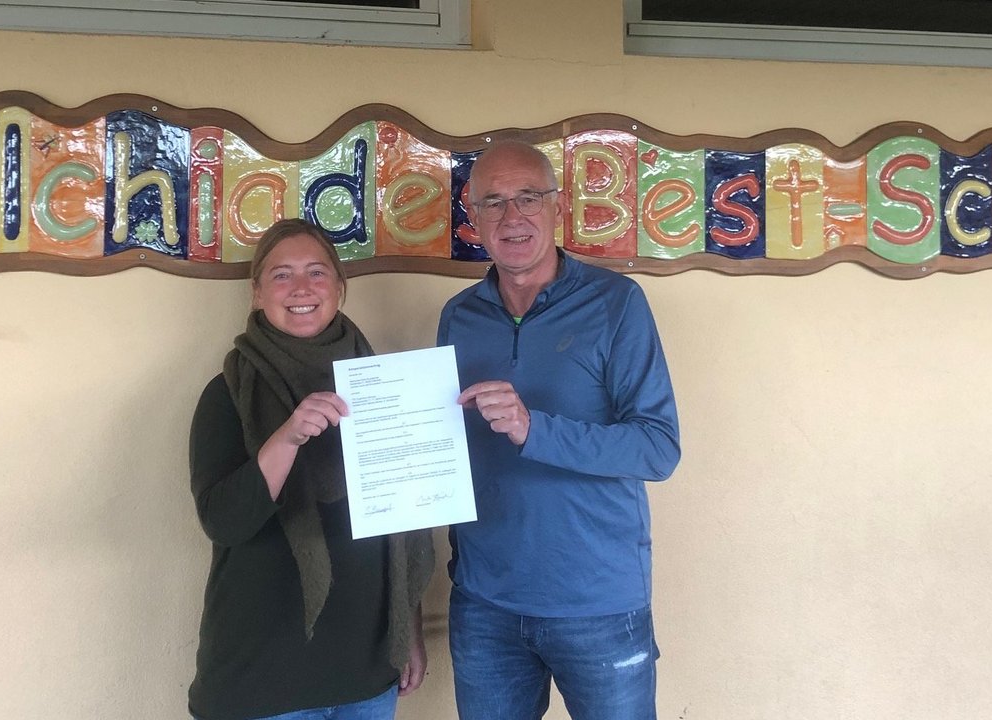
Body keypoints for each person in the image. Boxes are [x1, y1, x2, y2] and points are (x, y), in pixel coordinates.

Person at [437, 140, 682, 720]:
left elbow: (658, 448)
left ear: (558, 206)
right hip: (485, 601)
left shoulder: (616, 303)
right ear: (473, 217)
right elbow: (447, 443)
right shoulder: (458, 315)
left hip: (597, 602)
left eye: (528, 197)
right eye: (493, 202)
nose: (512, 216)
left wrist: (534, 429)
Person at [188, 218, 435, 720]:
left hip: (366, 676)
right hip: (262, 683)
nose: (301, 288)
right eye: (281, 275)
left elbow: (403, 521)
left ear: (339, 288)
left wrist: (407, 630)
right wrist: (288, 437)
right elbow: (224, 522)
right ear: (257, 293)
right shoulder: (228, 392)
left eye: (316, 272)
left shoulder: (384, 385)